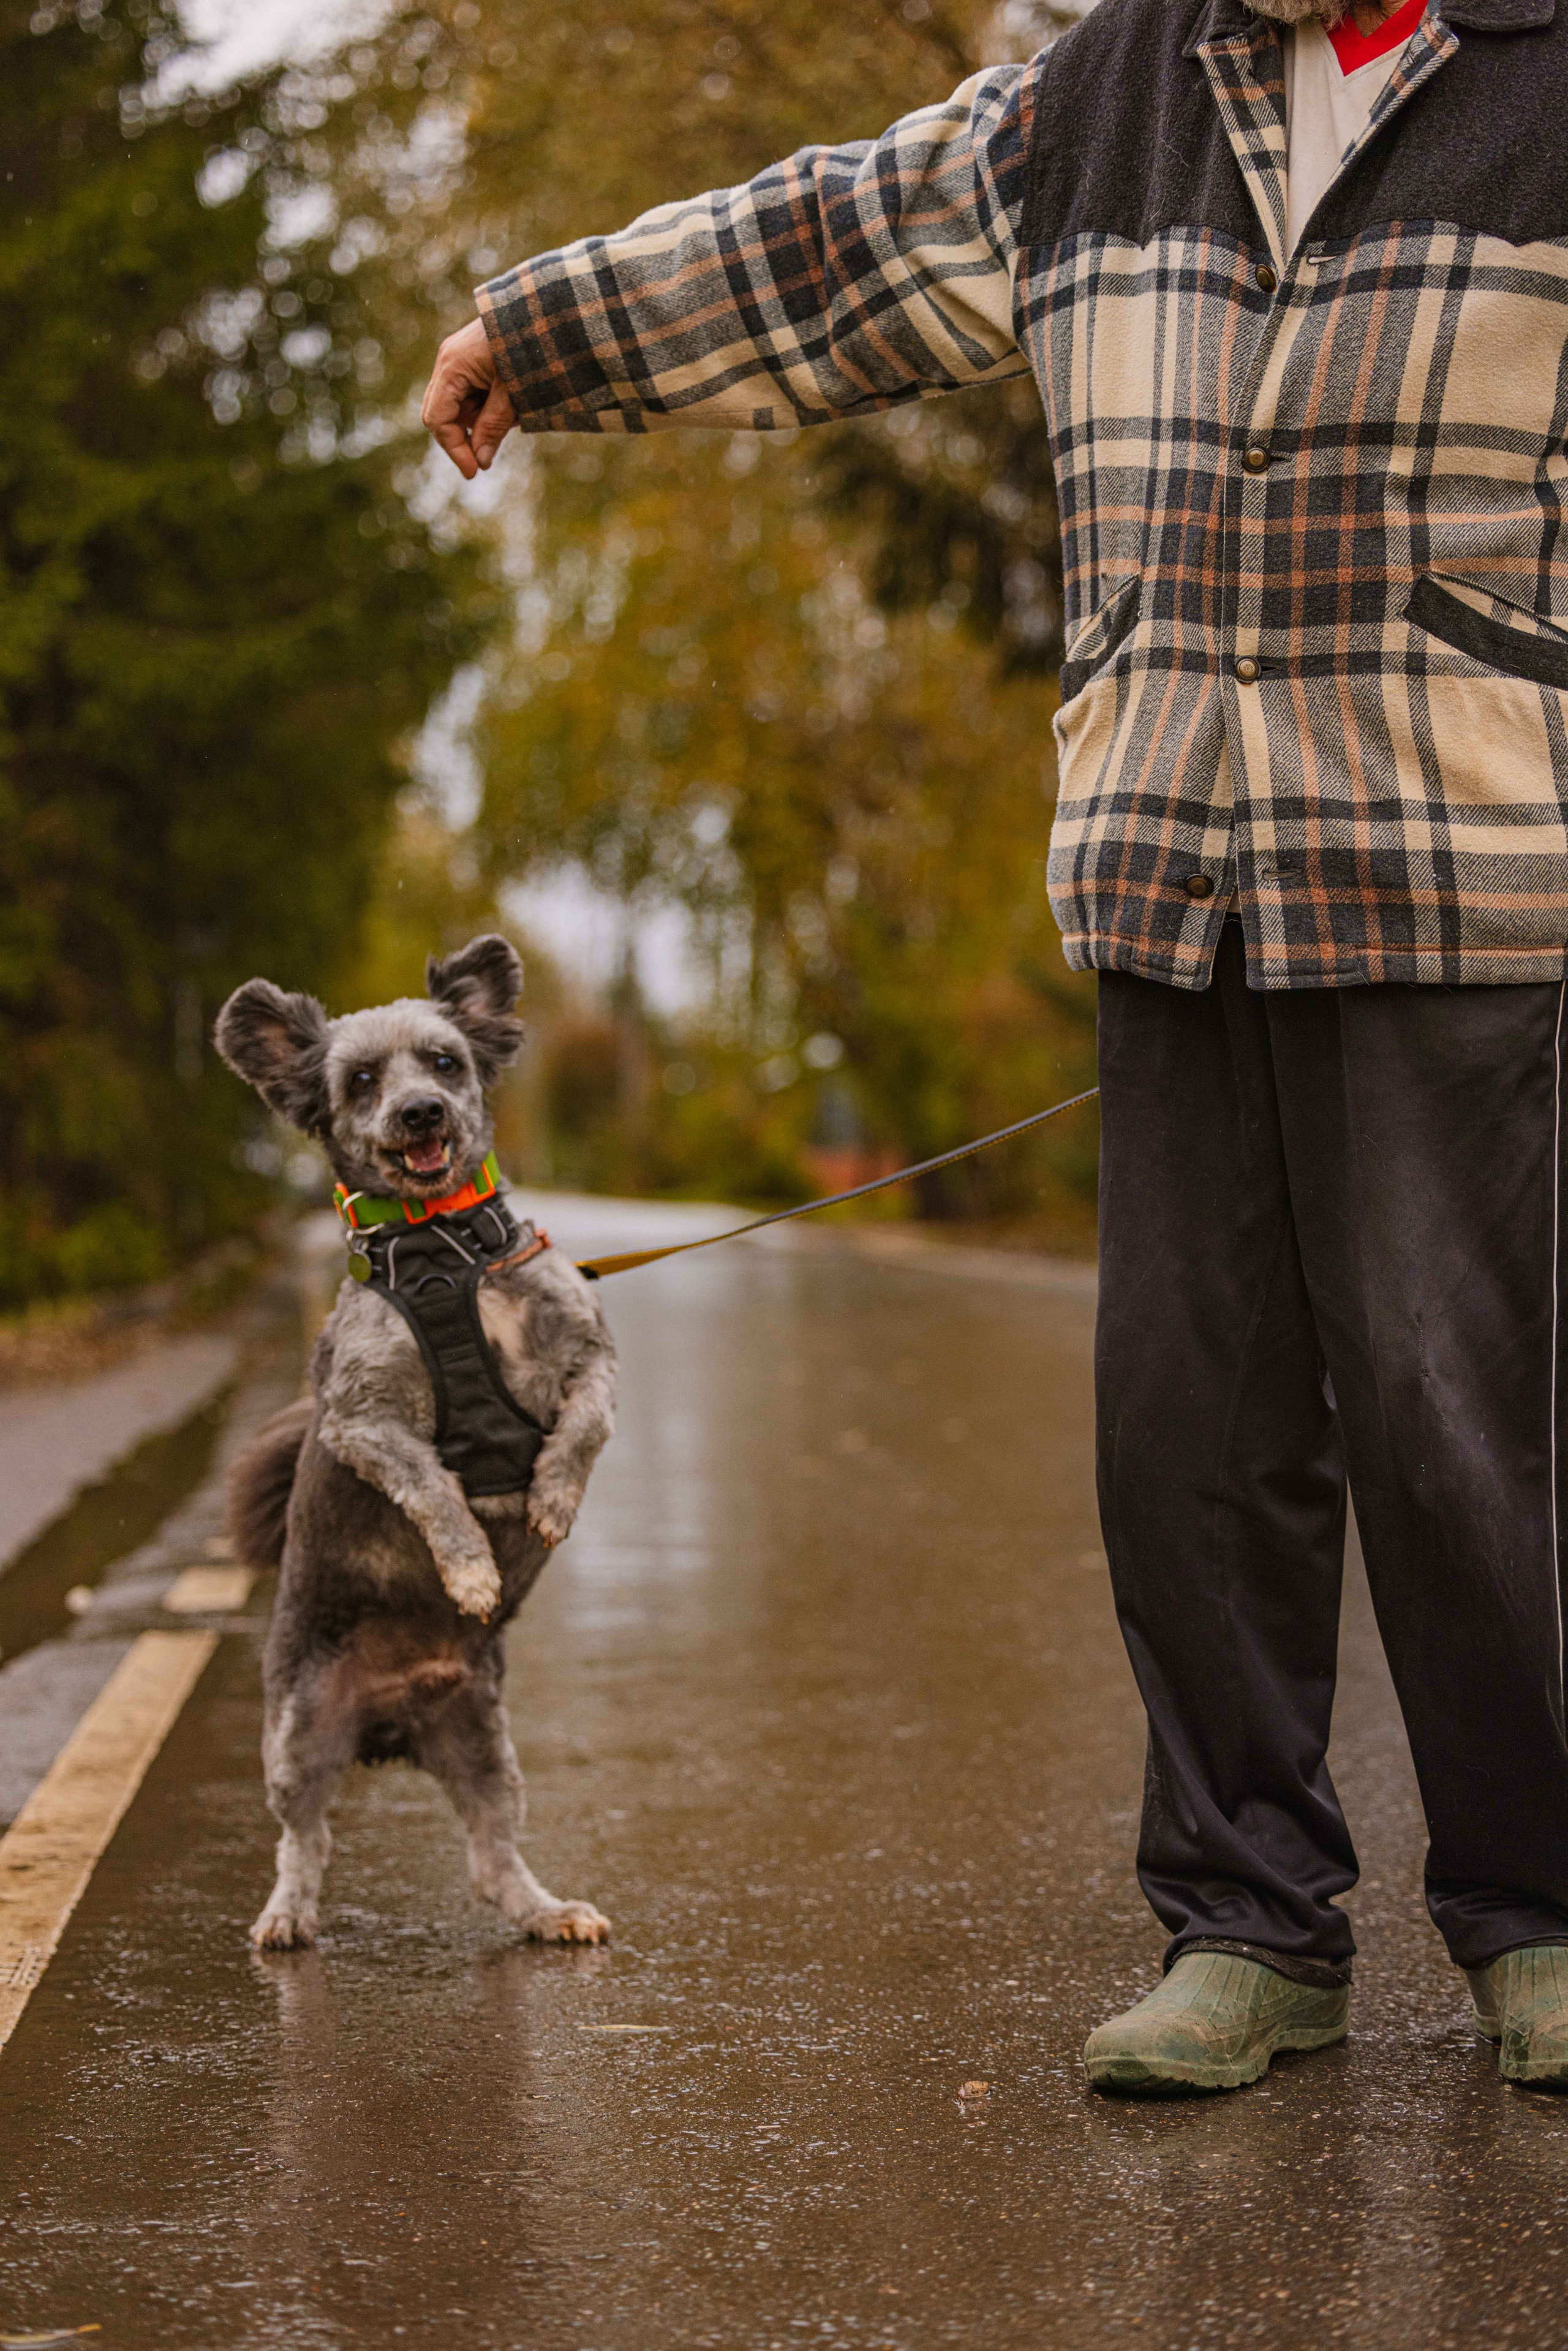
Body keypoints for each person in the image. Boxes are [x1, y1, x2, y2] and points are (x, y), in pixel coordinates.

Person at [422, 0, 1568, 2094]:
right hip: (1176, 866)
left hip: (1457, 850)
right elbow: (834, 248)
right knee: (1187, 1432)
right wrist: (548, 327)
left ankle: (1542, 1916)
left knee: (1461, 1422)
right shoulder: (1111, 88)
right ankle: (1247, 1928)